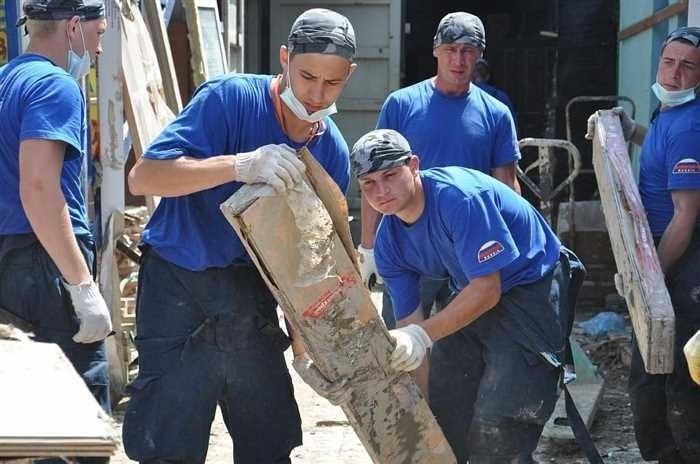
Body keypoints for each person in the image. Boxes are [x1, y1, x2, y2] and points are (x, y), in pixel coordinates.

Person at [122, 8, 357, 463]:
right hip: (179, 283)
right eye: (307, 76)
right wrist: (238, 165)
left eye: (332, 83)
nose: (315, 95)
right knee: (168, 442)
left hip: (250, 295)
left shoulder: (330, 152)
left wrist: (308, 350)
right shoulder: (229, 99)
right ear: (285, 59)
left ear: (350, 76)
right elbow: (144, 177)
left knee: (269, 442)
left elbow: (304, 266)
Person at [351, 129, 574, 463]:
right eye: (369, 183)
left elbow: (488, 289)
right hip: (471, 286)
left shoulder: (459, 200)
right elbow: (413, 329)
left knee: (499, 425)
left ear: (413, 166)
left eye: (390, 175)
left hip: (530, 285)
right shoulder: (389, 243)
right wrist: (420, 422)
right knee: (444, 412)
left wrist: (421, 335)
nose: (381, 191)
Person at [357, 11, 521, 330]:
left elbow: (508, 187)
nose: (458, 60)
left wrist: (509, 254)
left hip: (467, 250)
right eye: (450, 50)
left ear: (479, 55)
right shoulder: (401, 105)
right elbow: (374, 177)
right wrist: (369, 247)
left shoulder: (497, 114)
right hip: (410, 248)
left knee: (462, 349)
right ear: (435, 51)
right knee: (403, 343)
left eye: (467, 51)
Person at [586, 26, 700, 464]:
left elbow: (685, 218)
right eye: (667, 62)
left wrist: (650, 284)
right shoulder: (670, 113)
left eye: (687, 67)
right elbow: (661, 149)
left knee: (671, 378)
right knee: (654, 372)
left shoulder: (690, 125)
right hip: (668, 258)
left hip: (681, 262)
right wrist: (632, 131)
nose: (673, 74)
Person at [0, 0, 111, 442]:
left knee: (23, 419)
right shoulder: (56, 85)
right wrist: (82, 287)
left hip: (11, 260)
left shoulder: (7, 79)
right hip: (44, 264)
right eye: (99, 34)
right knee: (75, 424)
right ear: (72, 28)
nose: (99, 49)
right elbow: (40, 190)